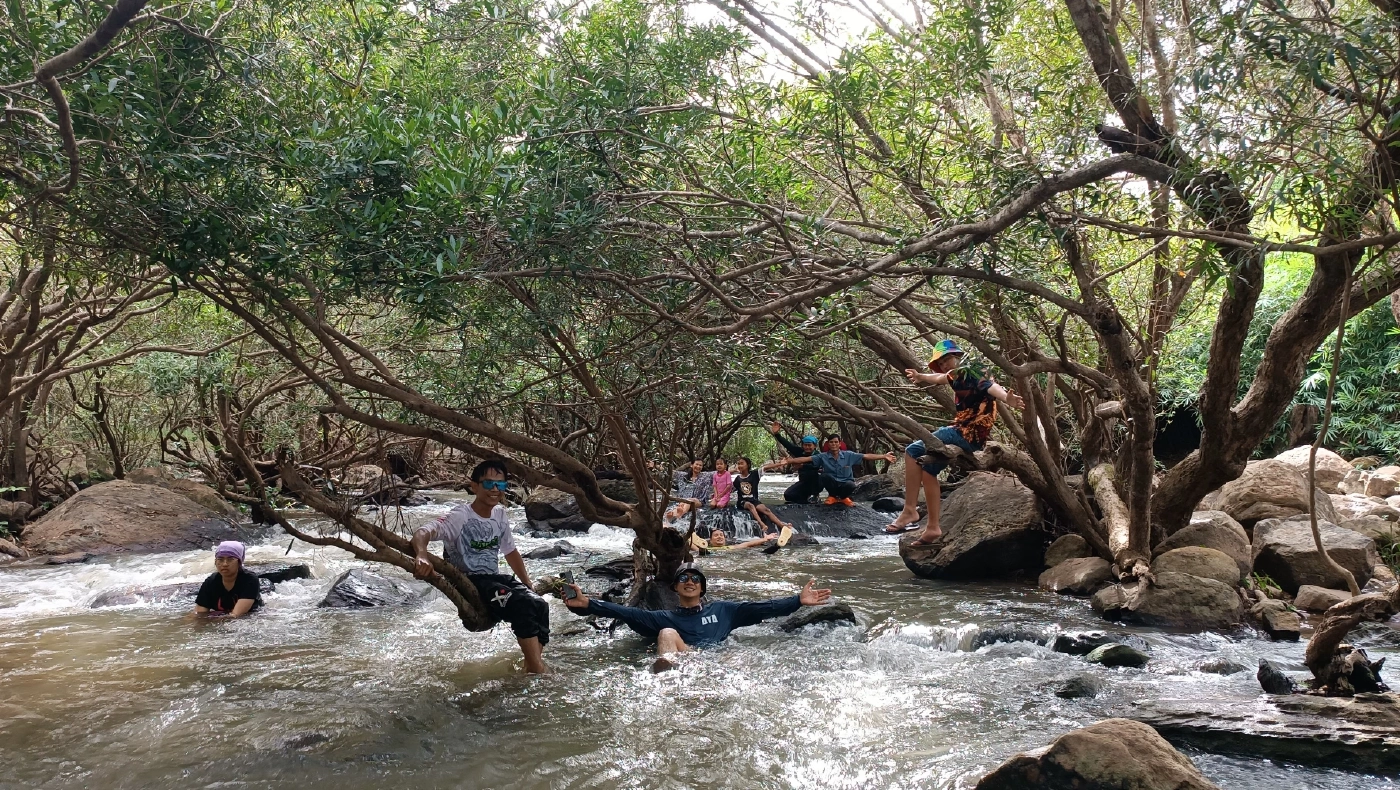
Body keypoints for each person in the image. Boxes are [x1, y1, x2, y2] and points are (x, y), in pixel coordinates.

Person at [412, 459, 550, 674]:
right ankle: (536, 669)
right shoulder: (460, 516)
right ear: (474, 486)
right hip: (468, 581)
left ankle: (530, 665)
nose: (495, 489)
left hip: (492, 579)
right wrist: (422, 554)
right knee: (522, 604)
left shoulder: (500, 514)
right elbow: (423, 531)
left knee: (539, 604)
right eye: (488, 484)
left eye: (501, 485)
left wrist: (527, 582)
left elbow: (510, 551)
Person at [562, 565, 832, 671]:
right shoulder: (663, 617)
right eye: (683, 578)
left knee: (743, 656)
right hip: (685, 658)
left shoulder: (724, 610)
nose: (689, 581)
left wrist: (797, 600)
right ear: (676, 588)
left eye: (695, 579)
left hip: (719, 658)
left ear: (702, 588)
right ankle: (665, 689)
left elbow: (764, 607)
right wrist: (587, 603)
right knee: (667, 633)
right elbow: (622, 611)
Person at [886, 339, 1025, 544]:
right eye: (941, 362)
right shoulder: (955, 376)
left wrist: (1008, 399)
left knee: (912, 451)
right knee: (928, 469)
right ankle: (933, 528)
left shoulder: (974, 372)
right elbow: (941, 378)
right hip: (963, 433)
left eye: (947, 359)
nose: (944, 365)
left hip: (967, 435)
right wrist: (921, 376)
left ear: (957, 357)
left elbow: (991, 387)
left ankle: (909, 510)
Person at [782, 436, 897, 506]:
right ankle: (831, 497)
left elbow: (866, 456)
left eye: (836, 442)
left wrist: (883, 456)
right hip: (828, 484)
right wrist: (791, 461)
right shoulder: (823, 456)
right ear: (828, 444)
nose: (833, 444)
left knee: (851, 484)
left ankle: (842, 498)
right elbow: (806, 458)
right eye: (831, 442)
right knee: (824, 476)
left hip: (844, 484)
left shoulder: (849, 455)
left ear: (839, 444)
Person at [193, 541, 262, 618]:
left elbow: (236, 615)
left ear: (239, 563)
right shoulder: (211, 582)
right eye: (220, 559)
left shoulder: (250, 579)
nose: (225, 564)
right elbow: (200, 614)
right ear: (215, 562)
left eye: (230, 559)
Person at [731, 457, 793, 534]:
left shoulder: (755, 474)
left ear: (748, 465)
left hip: (754, 500)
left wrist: (780, 464)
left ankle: (781, 525)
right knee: (751, 506)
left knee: (766, 510)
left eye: (742, 463)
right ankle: (761, 524)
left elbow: (766, 467)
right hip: (742, 501)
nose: (740, 465)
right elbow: (731, 490)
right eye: (738, 464)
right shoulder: (737, 479)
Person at [767, 422, 823, 503]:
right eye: (805, 445)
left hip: (816, 483)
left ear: (814, 446)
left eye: (809, 445)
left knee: (814, 474)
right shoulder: (800, 452)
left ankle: (815, 495)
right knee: (788, 495)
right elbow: (788, 445)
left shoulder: (818, 455)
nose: (807, 447)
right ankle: (805, 498)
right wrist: (776, 434)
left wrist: (803, 466)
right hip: (804, 482)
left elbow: (817, 468)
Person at [705, 528, 775, 550]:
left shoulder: (731, 547)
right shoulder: (705, 549)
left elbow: (748, 544)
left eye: (721, 535)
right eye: (716, 535)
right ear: (710, 540)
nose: (719, 537)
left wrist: (765, 539)